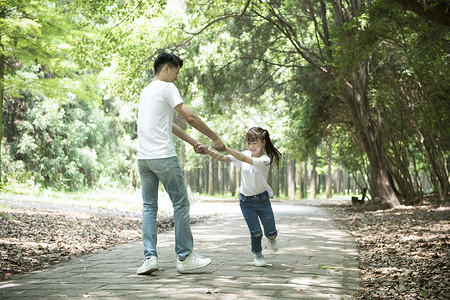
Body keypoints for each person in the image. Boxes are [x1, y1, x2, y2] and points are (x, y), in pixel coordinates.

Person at [136, 52, 225, 275]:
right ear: (166, 68)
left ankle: (150, 258)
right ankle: (185, 258)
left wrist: (194, 142)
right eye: (176, 72)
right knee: (181, 204)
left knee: (149, 207)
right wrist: (214, 137)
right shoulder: (167, 88)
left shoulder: (146, 92)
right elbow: (190, 117)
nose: (176, 77)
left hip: (144, 159)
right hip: (163, 157)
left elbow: (169, 125)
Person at [202, 127, 281, 267]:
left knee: (270, 233)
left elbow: (243, 158)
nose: (251, 147)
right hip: (246, 201)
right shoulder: (243, 153)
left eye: (254, 143)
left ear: (263, 142)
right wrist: (208, 151)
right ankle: (258, 255)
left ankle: (272, 238)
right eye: (249, 143)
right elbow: (224, 158)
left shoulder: (265, 159)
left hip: (263, 201)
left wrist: (225, 147)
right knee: (256, 232)